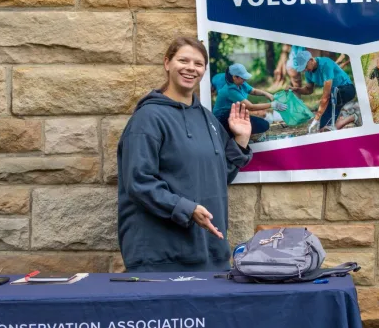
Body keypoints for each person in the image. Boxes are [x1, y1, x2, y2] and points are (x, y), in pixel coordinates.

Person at [117, 37, 253, 273]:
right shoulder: (148, 119)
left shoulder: (208, 119)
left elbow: (220, 176)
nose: (191, 68)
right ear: (167, 63)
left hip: (210, 256)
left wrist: (240, 139)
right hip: (162, 259)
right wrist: (186, 208)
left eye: (198, 64)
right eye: (183, 60)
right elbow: (138, 182)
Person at [292, 50, 359, 132]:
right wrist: (297, 90)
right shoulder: (308, 72)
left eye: (305, 66)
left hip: (346, 90)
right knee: (323, 129)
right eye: (303, 69)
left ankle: (344, 118)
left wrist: (316, 118)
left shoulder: (325, 64)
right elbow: (309, 90)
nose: (305, 70)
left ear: (311, 60)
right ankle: (353, 117)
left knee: (332, 94)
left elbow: (326, 97)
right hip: (334, 95)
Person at [212, 63, 287, 136]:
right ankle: (229, 134)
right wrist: (272, 105)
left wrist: (266, 94)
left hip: (233, 114)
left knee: (263, 124)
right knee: (263, 125)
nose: (245, 79)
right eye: (242, 77)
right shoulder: (230, 90)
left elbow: (253, 91)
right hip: (222, 119)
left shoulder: (241, 83)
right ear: (235, 77)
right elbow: (251, 107)